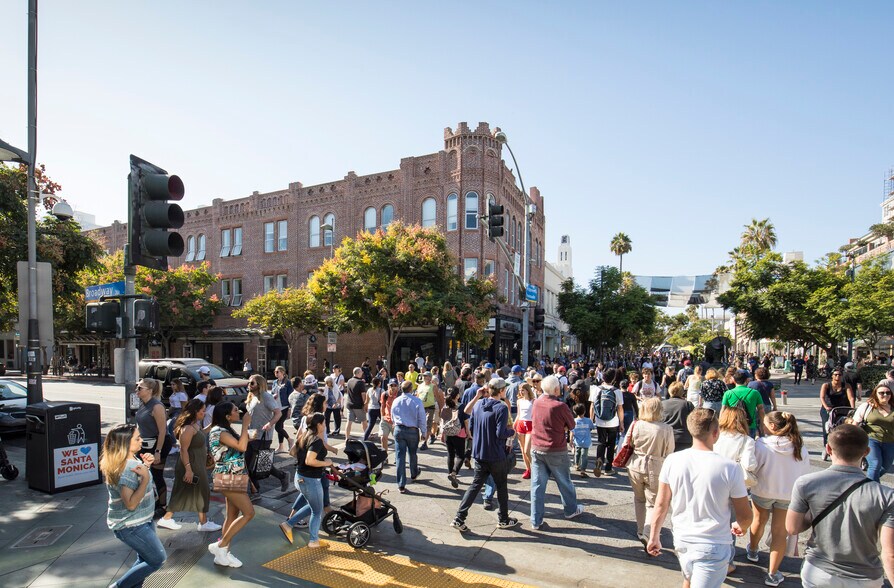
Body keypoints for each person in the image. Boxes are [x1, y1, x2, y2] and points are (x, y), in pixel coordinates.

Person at [647, 409, 753, 588]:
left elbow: (661, 504)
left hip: (682, 540)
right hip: (714, 544)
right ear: (716, 433)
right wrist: (741, 526)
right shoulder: (730, 468)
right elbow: (745, 515)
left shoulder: (672, 460)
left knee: (688, 581)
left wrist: (654, 536)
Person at [787, 424, 894, 588]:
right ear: (866, 452)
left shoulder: (806, 483)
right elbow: (889, 553)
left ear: (828, 449)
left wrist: (814, 512)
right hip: (865, 577)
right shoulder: (886, 495)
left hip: (819, 571)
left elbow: (792, 528)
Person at [745, 411, 811, 586]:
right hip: (788, 494)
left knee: (758, 520)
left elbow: (754, 467)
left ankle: (753, 550)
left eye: (765, 423)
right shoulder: (799, 447)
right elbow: (804, 473)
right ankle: (773, 573)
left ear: (773, 426)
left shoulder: (762, 444)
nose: (763, 425)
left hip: (763, 490)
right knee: (780, 532)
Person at [100, 423, 167, 587]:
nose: (141, 440)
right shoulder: (127, 468)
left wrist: (146, 467)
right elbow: (130, 504)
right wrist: (145, 478)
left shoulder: (129, 461)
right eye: (137, 438)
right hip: (132, 526)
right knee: (157, 559)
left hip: (141, 520)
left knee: (145, 560)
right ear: (125, 443)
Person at [451, 377, 519, 531]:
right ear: (502, 391)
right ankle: (503, 519)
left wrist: (478, 396)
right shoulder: (501, 408)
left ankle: (459, 518)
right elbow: (500, 433)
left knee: (475, 486)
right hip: (496, 454)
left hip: (480, 453)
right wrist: (512, 432)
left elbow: (471, 426)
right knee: (501, 486)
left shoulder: (479, 404)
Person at [529, 375, 585, 530]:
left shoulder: (536, 402)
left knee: (537, 485)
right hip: (556, 449)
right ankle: (570, 510)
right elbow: (572, 425)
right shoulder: (560, 406)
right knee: (564, 482)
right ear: (555, 389)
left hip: (537, 447)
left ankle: (535, 520)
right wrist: (562, 427)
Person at [158, 399, 221, 532]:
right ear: (195, 412)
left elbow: (201, 434)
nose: (204, 413)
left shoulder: (194, 425)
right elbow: (183, 450)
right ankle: (203, 523)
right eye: (202, 411)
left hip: (195, 464)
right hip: (191, 466)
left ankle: (168, 519)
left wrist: (212, 425)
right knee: (201, 491)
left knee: (184, 492)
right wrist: (188, 470)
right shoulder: (187, 428)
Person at [208, 402, 254, 568]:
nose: (239, 411)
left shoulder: (224, 430)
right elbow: (242, 447)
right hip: (228, 477)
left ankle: (224, 553)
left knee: (232, 515)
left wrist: (247, 434)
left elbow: (237, 447)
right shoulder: (219, 431)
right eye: (235, 410)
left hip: (234, 476)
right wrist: (245, 425)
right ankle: (220, 546)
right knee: (249, 513)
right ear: (227, 416)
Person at [280, 413, 333, 548]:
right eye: (324, 423)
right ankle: (313, 541)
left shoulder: (304, 435)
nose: (325, 426)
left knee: (314, 505)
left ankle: (288, 524)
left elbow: (292, 452)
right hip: (311, 480)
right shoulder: (316, 440)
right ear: (319, 425)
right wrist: (326, 463)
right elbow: (310, 461)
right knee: (317, 511)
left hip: (300, 477)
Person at [626, 397, 674, 544]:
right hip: (656, 466)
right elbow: (670, 451)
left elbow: (627, 443)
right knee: (653, 502)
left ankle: (641, 530)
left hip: (635, 465)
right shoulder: (666, 429)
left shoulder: (636, 424)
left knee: (639, 499)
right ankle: (648, 533)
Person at [244, 374, 289, 495]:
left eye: (252, 383)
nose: (249, 385)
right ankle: (256, 489)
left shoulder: (265, 396)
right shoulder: (251, 396)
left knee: (260, 463)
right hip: (251, 434)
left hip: (263, 435)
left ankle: (280, 477)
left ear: (259, 384)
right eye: (248, 382)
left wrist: (270, 424)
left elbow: (278, 413)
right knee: (251, 463)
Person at [135, 378, 172, 516]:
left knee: (157, 475)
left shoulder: (157, 406)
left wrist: (158, 451)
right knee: (143, 474)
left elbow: (162, 431)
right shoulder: (142, 404)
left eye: (140, 388)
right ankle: (155, 499)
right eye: (137, 386)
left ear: (150, 390)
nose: (137, 390)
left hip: (158, 444)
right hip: (145, 444)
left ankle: (163, 505)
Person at [391, 380, 427, 493]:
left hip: (399, 429)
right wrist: (424, 432)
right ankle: (413, 473)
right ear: (411, 389)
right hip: (412, 430)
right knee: (412, 453)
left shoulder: (396, 400)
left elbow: (392, 415)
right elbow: (422, 418)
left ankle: (401, 484)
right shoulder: (417, 401)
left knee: (400, 456)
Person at [853, 383, 894, 482]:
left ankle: (865, 483)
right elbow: (855, 424)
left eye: (888, 393)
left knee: (885, 467)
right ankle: (873, 489)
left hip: (890, 441)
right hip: (871, 439)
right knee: (875, 464)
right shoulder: (867, 406)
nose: (885, 395)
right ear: (876, 394)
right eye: (881, 393)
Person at [590, 368, 625, 476]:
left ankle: (599, 461)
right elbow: (620, 408)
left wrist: (591, 420)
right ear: (613, 379)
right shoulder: (617, 391)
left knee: (601, 442)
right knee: (611, 444)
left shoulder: (596, 389)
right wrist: (621, 423)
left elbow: (592, 406)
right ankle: (608, 468)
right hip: (613, 421)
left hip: (600, 421)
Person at [713, 405, 757, 491]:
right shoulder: (747, 440)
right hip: (736, 483)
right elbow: (749, 465)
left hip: (715, 479)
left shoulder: (714, 437)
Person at [819, 368, 856, 452]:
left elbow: (851, 398)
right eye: (835, 375)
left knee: (843, 428)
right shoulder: (826, 385)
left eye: (839, 375)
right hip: (829, 409)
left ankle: (841, 444)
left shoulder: (846, 386)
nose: (837, 376)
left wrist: (852, 408)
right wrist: (826, 407)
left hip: (842, 409)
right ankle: (827, 445)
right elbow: (822, 397)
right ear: (832, 376)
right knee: (827, 428)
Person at [723, 369, 765, 437]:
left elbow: (723, 409)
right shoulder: (754, 393)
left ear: (734, 380)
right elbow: (761, 409)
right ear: (746, 380)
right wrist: (762, 424)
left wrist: (722, 424)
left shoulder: (728, 393)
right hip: (750, 424)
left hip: (733, 424)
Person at [441, 387, 468, 489]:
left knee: (450, 454)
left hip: (448, 433)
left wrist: (443, 434)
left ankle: (450, 473)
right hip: (459, 433)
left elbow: (443, 422)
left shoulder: (445, 406)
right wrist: (469, 433)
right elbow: (466, 422)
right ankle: (454, 473)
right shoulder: (461, 406)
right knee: (460, 456)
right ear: (457, 396)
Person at [663, 382, 695, 452]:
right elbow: (693, 422)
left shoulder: (662, 404)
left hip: (666, 437)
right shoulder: (688, 404)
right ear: (682, 392)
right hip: (684, 438)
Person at [515, 382, 536, 479]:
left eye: (523, 390)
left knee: (527, 450)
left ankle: (535, 469)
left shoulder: (533, 401)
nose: (521, 392)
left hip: (530, 425)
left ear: (527, 390)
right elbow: (518, 415)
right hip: (520, 424)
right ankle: (528, 469)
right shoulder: (519, 401)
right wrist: (514, 426)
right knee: (523, 450)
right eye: (520, 390)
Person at [271, 366, 293, 453]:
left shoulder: (287, 382)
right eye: (275, 372)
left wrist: (290, 408)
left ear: (283, 372)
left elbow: (291, 396)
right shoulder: (274, 382)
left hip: (284, 407)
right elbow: (272, 393)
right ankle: (281, 446)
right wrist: (273, 396)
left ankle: (290, 440)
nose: (276, 373)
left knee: (278, 427)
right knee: (280, 427)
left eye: (277, 372)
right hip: (276, 407)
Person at [344, 367, 369, 438]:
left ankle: (347, 437)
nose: (362, 373)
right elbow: (363, 395)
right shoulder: (360, 382)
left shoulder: (349, 381)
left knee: (349, 422)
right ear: (358, 373)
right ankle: (366, 436)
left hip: (349, 404)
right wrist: (365, 405)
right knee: (364, 422)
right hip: (358, 405)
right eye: (361, 372)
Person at [416, 371, 438, 449]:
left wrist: (439, 408)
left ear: (430, 377)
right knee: (421, 424)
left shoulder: (433, 386)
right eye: (424, 376)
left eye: (426, 376)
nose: (425, 377)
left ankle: (424, 443)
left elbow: (437, 397)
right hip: (421, 408)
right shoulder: (420, 386)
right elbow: (417, 396)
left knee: (428, 424)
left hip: (430, 408)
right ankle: (432, 435)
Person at [572, 404, 595, 477]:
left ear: (574, 412)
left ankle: (577, 465)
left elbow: (572, 431)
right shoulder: (588, 420)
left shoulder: (574, 421)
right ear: (584, 411)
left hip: (577, 441)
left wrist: (570, 440)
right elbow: (592, 427)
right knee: (584, 456)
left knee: (577, 453)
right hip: (586, 441)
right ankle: (583, 470)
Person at [379, 379, 399, 459]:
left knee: (398, 440)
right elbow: (382, 406)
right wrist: (382, 417)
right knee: (383, 438)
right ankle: (384, 457)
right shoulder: (385, 394)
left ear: (398, 386)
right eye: (391, 385)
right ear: (388, 386)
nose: (393, 387)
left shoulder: (400, 395)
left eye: (395, 385)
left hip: (396, 422)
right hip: (386, 420)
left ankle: (398, 457)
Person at [363, 377, 383, 441]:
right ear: (379, 383)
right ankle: (383, 437)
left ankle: (365, 439)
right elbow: (383, 401)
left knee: (370, 425)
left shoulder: (369, 390)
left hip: (371, 408)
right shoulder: (381, 390)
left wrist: (365, 407)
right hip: (379, 408)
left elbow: (366, 401)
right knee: (384, 423)